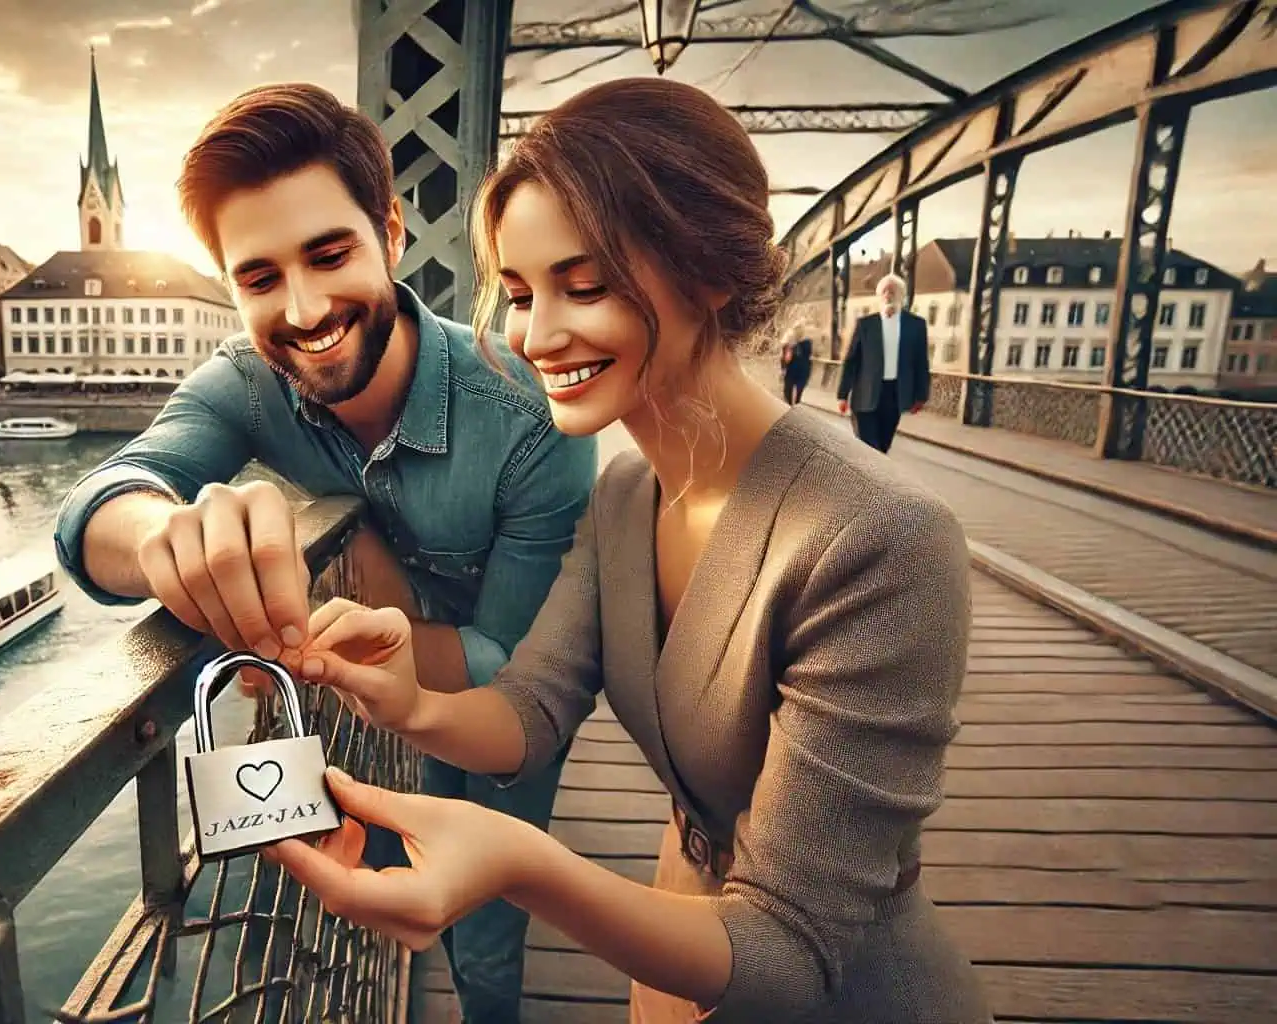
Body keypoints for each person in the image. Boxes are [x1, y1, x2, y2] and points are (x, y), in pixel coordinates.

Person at [262, 77, 992, 1024]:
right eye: (519, 293)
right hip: (672, 955)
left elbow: (790, 954)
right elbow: (532, 709)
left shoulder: (883, 539)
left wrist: (521, 866)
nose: (536, 335)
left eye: (586, 285)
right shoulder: (624, 492)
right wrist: (405, 699)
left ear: (711, 275)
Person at [50, 83, 598, 1022]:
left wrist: (343, 639)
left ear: (389, 234)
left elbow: (508, 673)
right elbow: (98, 503)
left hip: (502, 703)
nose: (302, 310)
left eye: (329, 254)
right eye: (259, 278)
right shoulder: (243, 384)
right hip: (372, 696)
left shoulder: (529, 413)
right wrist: (164, 537)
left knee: (492, 917)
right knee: (386, 887)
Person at [837, 273, 929, 453]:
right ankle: (867, 479)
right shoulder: (865, 324)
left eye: (893, 291)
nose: (888, 294)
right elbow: (851, 361)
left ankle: (871, 478)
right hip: (865, 395)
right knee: (868, 447)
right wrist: (842, 394)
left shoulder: (916, 325)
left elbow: (921, 362)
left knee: (883, 448)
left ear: (901, 295)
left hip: (894, 395)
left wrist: (921, 396)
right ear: (879, 295)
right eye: (885, 291)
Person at [779, 328, 812, 406]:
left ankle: (795, 405)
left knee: (798, 392)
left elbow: (808, 353)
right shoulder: (787, 343)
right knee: (788, 392)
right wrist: (783, 369)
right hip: (791, 371)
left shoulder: (806, 343)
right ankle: (790, 406)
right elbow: (784, 358)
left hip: (802, 371)